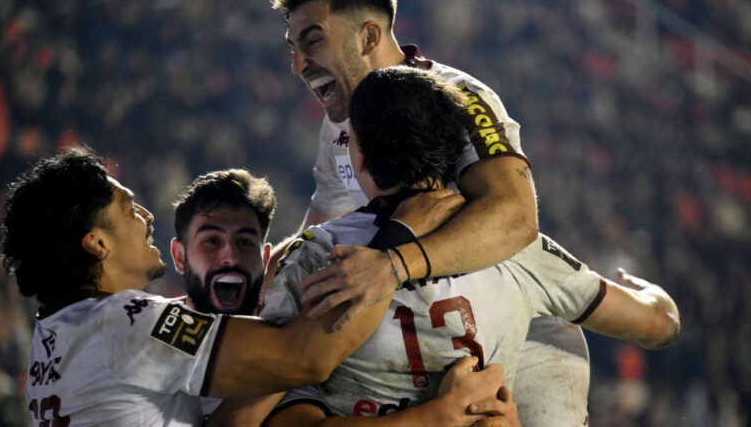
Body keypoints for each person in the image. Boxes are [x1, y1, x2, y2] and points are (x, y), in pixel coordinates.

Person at [259, 67, 679, 425]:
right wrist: (652, 294)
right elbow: (660, 325)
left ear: (360, 158)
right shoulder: (513, 245)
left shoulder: (312, 255)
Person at [266, 0, 591, 424]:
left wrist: (394, 263)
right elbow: (326, 221)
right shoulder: (340, 120)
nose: (298, 64)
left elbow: (515, 218)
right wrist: (266, 270)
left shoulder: (457, 96)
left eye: (313, 41)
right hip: (421, 340)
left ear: (369, 37)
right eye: (293, 48)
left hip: (513, 337)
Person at [0, 148, 400, 425]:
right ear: (96, 243)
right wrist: (396, 253)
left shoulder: (52, 334)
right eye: (127, 207)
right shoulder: (132, 324)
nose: (146, 216)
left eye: (245, 242)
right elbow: (305, 358)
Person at [169, 169, 520, 426]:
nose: (229, 257)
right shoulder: (148, 326)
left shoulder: (279, 340)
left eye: (245, 242)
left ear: (265, 260)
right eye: (211, 241)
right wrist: (440, 416)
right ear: (180, 256)